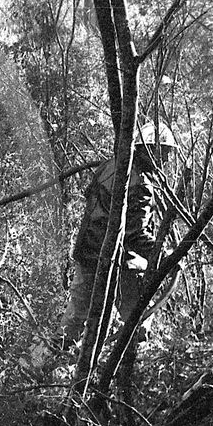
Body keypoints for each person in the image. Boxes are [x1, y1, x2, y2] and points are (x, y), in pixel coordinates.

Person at [61, 122, 180, 361]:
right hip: (116, 262)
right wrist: (167, 258)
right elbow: (135, 236)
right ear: (149, 150)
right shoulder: (140, 184)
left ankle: (35, 364)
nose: (166, 160)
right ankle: (131, 371)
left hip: (87, 253)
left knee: (73, 319)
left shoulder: (109, 166)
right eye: (164, 152)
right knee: (138, 320)